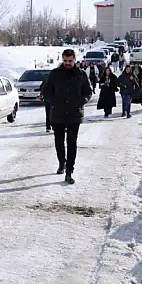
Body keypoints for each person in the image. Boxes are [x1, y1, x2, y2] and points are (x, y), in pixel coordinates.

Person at [42, 49, 93, 184]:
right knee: (58, 141)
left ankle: (69, 171)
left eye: (70, 61)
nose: (67, 63)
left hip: (74, 113)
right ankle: (62, 162)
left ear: (75, 60)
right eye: (65, 61)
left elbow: (88, 92)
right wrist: (52, 101)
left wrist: (82, 101)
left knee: (72, 143)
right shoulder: (54, 74)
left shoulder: (81, 75)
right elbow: (46, 90)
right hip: (57, 112)